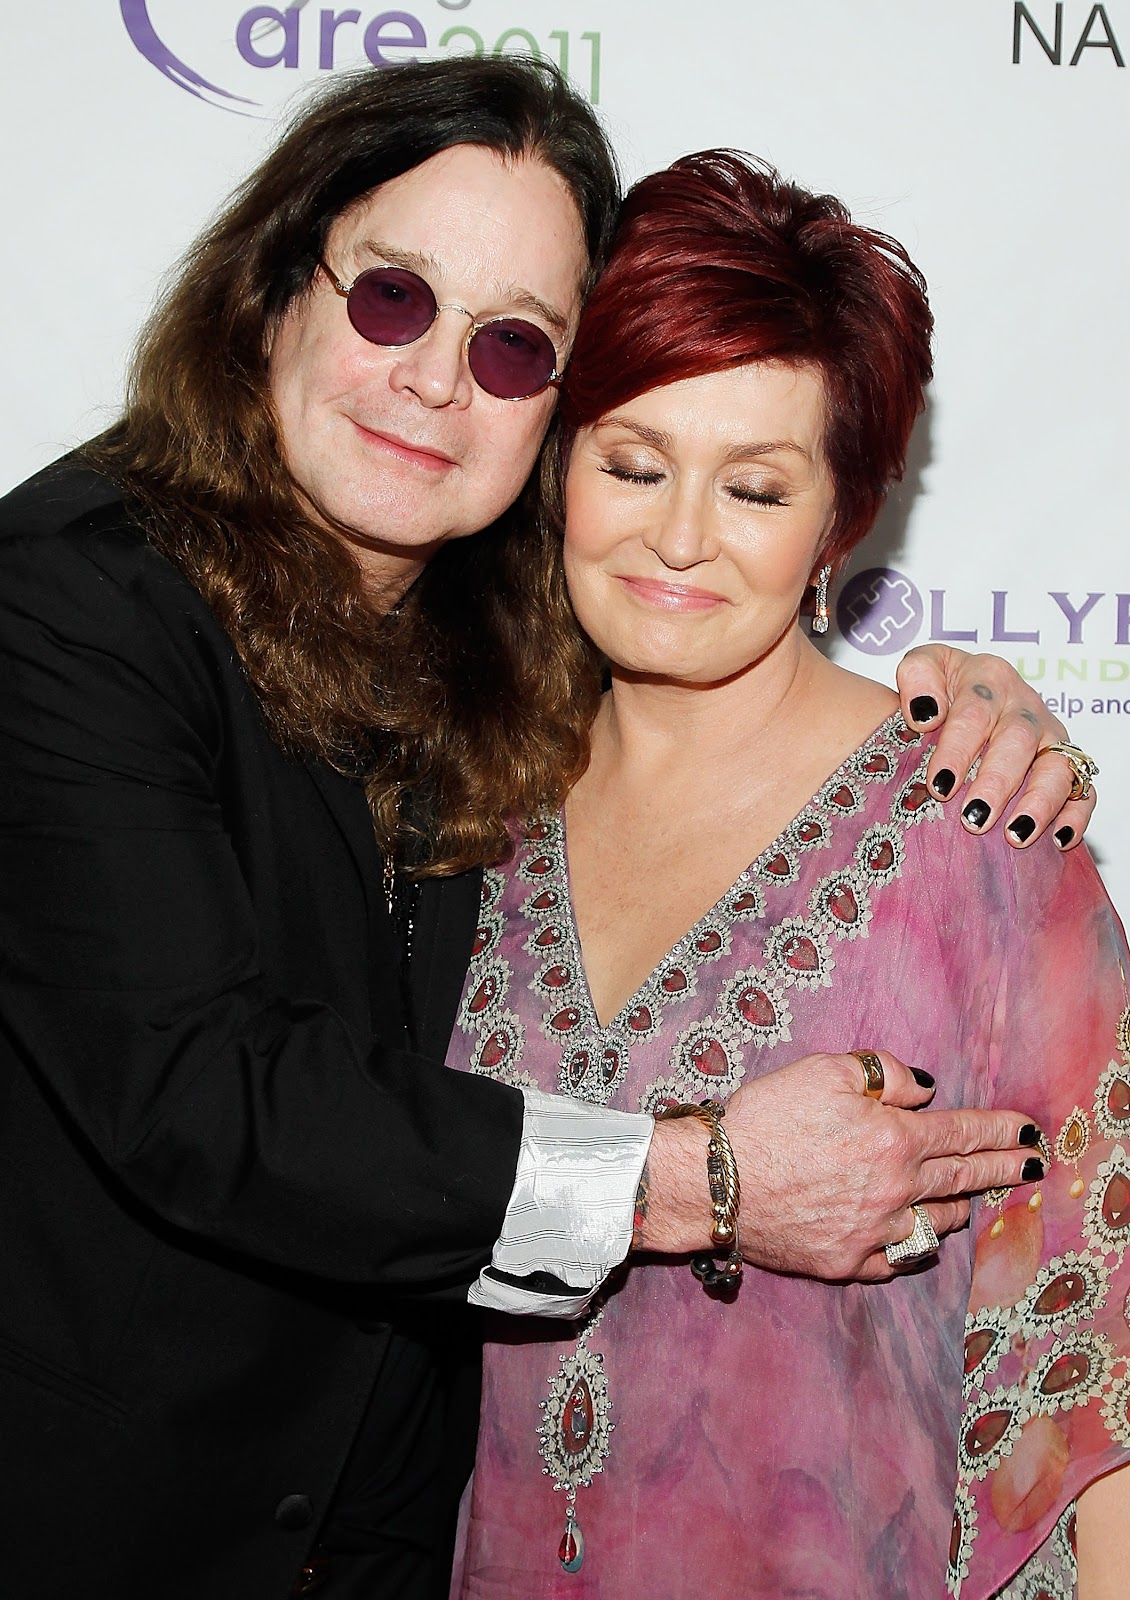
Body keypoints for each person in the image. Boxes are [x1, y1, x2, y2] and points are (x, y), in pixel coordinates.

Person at [0, 58, 1093, 1600]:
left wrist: (975, 702)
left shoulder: (495, 676)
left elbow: (1080, 1351)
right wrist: (707, 1178)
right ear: (270, 293)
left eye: (513, 345)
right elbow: (204, 1092)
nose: (438, 378)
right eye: (392, 300)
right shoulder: (71, 606)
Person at [446, 151, 1128, 1599]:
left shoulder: (980, 831)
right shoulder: (449, 815)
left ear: (838, 525)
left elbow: (1097, 1375)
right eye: (632, 464)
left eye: (752, 488)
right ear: (556, 467)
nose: (677, 538)